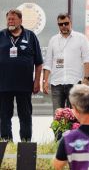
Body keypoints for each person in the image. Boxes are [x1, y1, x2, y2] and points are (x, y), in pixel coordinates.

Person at [0, 8, 43, 141]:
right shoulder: (1, 35)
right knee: (4, 115)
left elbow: (39, 63)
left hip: (24, 85)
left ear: (20, 20)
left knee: (25, 115)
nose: (10, 21)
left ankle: (26, 141)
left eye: (13, 19)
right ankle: (6, 141)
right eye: (8, 19)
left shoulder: (30, 36)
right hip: (4, 84)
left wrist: (37, 82)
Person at [43, 13, 89, 111]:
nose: (64, 26)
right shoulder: (53, 40)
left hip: (75, 83)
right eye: (61, 24)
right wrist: (45, 81)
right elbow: (48, 62)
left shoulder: (81, 38)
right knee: (57, 116)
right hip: (56, 83)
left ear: (70, 23)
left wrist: (86, 79)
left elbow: (87, 60)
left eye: (66, 23)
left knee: (75, 115)